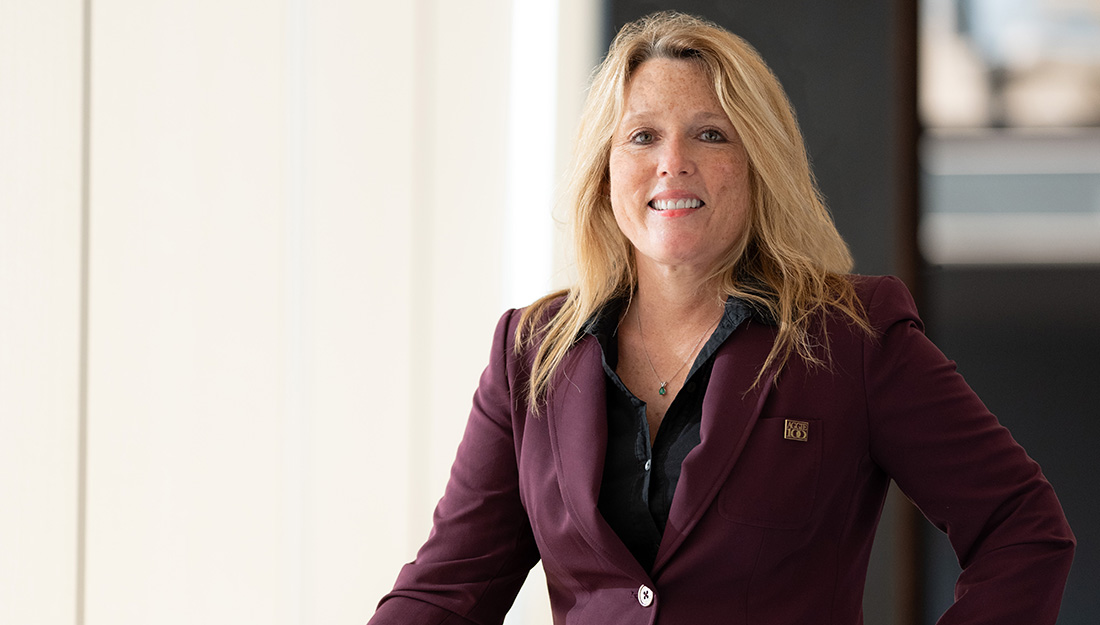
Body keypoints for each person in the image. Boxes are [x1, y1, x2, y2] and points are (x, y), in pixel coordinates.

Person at [367, 11, 1074, 625]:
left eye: (710, 134)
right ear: (604, 170)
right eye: (642, 136)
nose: (673, 163)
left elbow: (1023, 526)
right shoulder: (530, 354)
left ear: (757, 161)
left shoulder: (854, 338)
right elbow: (448, 592)